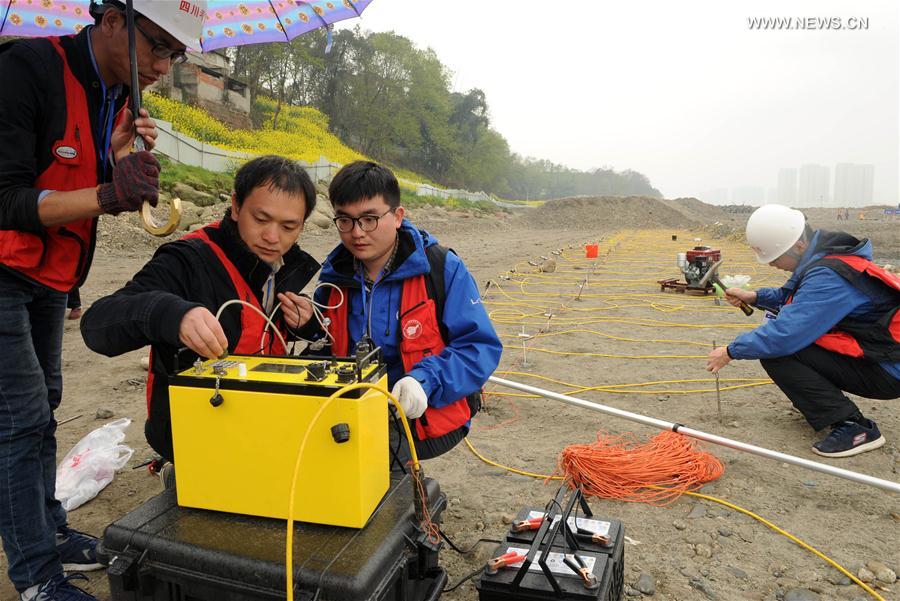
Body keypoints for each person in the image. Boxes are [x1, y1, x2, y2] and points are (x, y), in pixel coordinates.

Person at [0, 1, 205, 599]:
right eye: (158, 47)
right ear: (112, 19)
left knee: (48, 404)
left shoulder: (115, 95)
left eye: (177, 53)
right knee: (20, 423)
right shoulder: (26, 71)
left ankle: (51, 531)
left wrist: (119, 156)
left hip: (49, 275)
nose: (165, 66)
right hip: (4, 270)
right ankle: (37, 575)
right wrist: (108, 192)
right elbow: (9, 200)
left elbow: (82, 181)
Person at [81, 155, 320, 466]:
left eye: (289, 226)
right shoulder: (187, 260)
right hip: (193, 432)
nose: (273, 237)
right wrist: (171, 314)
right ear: (236, 206)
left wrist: (307, 325)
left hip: (260, 421)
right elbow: (96, 325)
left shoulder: (281, 267)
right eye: (261, 219)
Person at [305, 161, 502, 465]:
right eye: (345, 220)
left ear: (397, 216)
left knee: (380, 469)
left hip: (423, 410)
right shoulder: (334, 277)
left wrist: (423, 382)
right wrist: (306, 324)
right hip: (353, 408)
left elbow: (480, 348)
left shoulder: (441, 269)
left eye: (370, 219)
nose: (357, 233)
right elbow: (326, 340)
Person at [707, 204, 900, 458]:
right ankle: (823, 405)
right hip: (882, 355)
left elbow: (785, 335)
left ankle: (855, 427)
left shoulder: (829, 275)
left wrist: (731, 351)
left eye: (775, 258)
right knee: (789, 344)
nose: (773, 265)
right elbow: (791, 297)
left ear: (798, 245)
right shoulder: (823, 259)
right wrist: (752, 297)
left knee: (779, 353)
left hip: (889, 368)